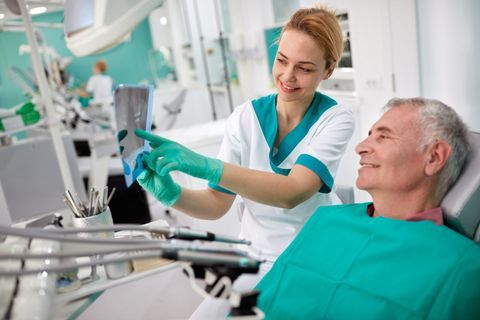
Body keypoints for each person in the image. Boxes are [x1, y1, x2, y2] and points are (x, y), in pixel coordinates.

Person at [135, 5, 354, 273]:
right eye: (282, 60)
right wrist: (172, 195)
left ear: (328, 70)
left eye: (305, 69)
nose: (287, 76)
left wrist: (205, 166)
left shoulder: (334, 119)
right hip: (257, 257)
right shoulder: (246, 117)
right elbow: (216, 203)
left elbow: (293, 192)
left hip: (316, 257)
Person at [256, 97, 480, 319]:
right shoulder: (327, 220)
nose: (360, 147)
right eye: (369, 135)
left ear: (433, 157)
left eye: (383, 136)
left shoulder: (462, 266)